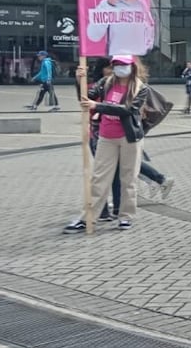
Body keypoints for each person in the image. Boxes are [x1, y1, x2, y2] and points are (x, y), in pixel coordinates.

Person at [64, 55, 155, 233]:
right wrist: (79, 80)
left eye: (124, 65)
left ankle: (126, 216)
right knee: (99, 179)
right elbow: (86, 98)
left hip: (129, 138)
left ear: (132, 66)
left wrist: (97, 106)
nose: (120, 68)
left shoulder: (140, 88)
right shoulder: (106, 82)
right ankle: (88, 218)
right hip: (106, 137)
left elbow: (129, 109)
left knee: (128, 179)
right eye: (117, 64)